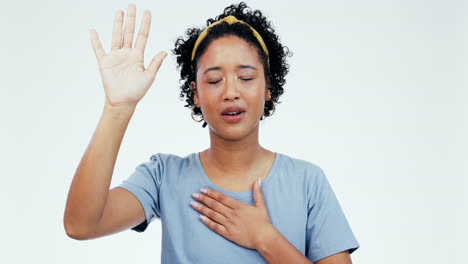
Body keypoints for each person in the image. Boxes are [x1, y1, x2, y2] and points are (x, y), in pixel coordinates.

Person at [63, 2, 360, 263]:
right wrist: (118, 107)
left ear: (268, 87)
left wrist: (264, 238)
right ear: (195, 94)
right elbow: (81, 225)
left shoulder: (307, 182)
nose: (231, 92)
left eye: (245, 77)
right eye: (214, 80)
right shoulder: (163, 176)